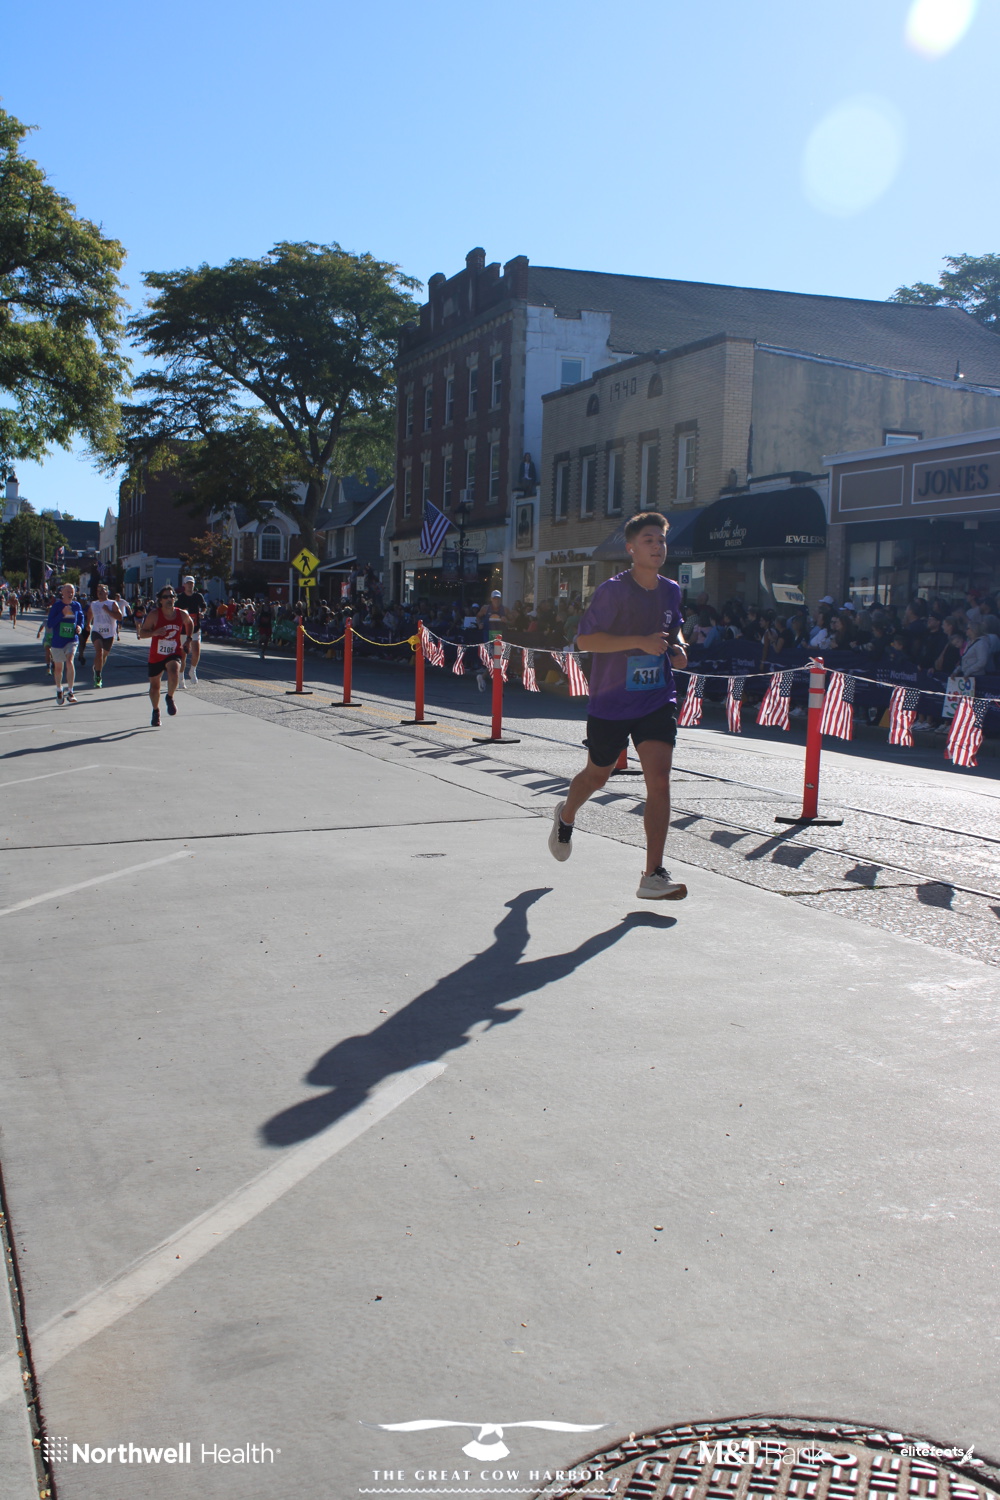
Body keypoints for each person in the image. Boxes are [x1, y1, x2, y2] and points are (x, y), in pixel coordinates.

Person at [547, 511, 688, 900]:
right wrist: (639, 642)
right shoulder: (613, 591)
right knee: (598, 775)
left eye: (661, 540)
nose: (657, 547)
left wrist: (678, 648)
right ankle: (566, 815)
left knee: (659, 779)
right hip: (611, 700)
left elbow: (674, 629)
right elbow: (585, 641)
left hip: (656, 697)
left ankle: (652, 875)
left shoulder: (671, 590)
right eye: (648, 540)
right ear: (630, 548)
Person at [139, 586, 193, 727]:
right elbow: (142, 633)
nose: (169, 599)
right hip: (156, 655)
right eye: (165, 597)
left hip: (173, 652)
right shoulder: (154, 615)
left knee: (174, 671)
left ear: (175, 598)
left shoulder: (181, 614)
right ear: (160, 600)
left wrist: (188, 639)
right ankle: (156, 711)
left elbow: (190, 623)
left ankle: (169, 697)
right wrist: (154, 632)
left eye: (171, 596)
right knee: (154, 687)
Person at [44, 583, 85, 705]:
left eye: (72, 591)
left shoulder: (76, 605)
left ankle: (71, 691)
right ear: (62, 593)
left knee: (69, 661)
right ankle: (59, 689)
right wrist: (62, 614)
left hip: (71, 639)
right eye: (68, 591)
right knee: (58, 668)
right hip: (58, 641)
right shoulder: (57, 606)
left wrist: (80, 627)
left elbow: (81, 619)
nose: (70, 594)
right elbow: (50, 624)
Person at [86, 583, 124, 687]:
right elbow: (89, 613)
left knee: (104, 655)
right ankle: (98, 677)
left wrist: (108, 611)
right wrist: (88, 623)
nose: (100, 593)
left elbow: (119, 617)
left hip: (109, 634)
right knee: (99, 652)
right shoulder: (94, 604)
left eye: (102, 590)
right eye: (98, 591)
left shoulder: (112, 603)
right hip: (97, 632)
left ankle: (97, 668)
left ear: (107, 592)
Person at [177, 575, 208, 685]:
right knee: (183, 655)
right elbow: (175, 610)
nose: (190, 585)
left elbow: (204, 607)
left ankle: (192, 670)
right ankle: (181, 677)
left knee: (196, 651)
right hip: (183, 630)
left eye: (192, 583)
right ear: (184, 585)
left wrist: (202, 613)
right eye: (188, 583)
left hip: (195, 628)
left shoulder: (198, 596)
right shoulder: (180, 597)